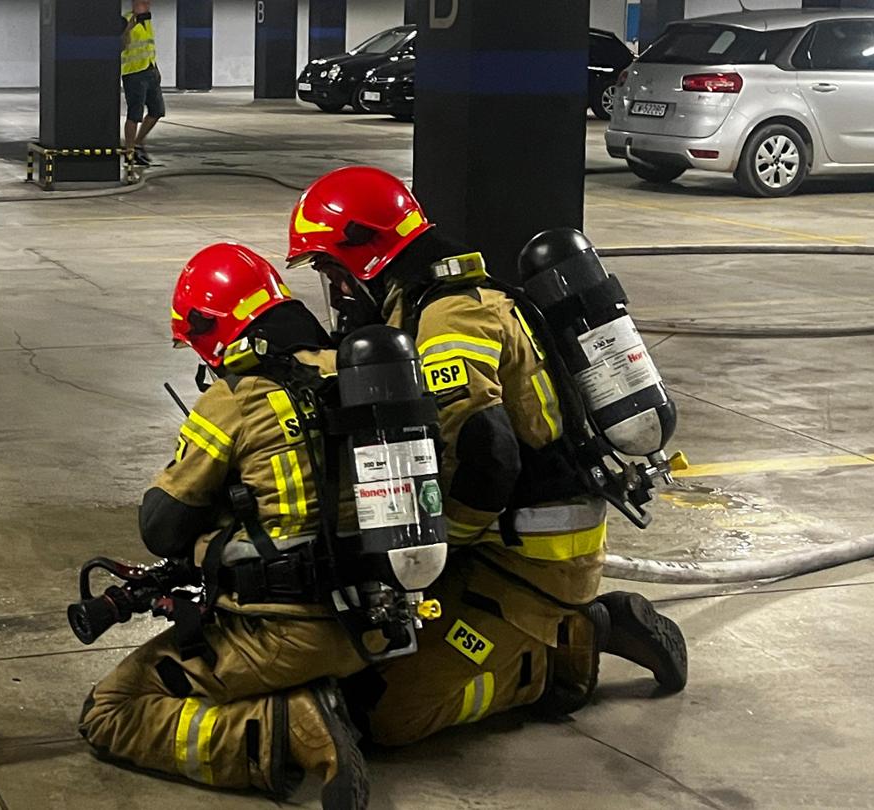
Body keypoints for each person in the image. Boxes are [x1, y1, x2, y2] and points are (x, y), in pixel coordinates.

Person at [285, 166, 688, 746]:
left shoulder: (448, 316)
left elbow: (487, 453)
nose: (336, 289)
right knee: (356, 652)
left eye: (331, 269)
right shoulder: (423, 301)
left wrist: (440, 548)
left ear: (366, 254)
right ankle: (561, 628)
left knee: (380, 712)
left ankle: (570, 647)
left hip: (526, 563)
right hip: (504, 544)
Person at [78, 243, 371, 810]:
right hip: (375, 620)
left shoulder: (234, 397)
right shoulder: (349, 367)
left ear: (213, 330)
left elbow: (161, 528)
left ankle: (285, 726)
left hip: (284, 632)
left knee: (110, 711)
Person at [121, 0, 164, 166]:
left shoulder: (147, 22)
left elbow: (149, 48)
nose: (148, 5)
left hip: (150, 71)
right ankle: (129, 151)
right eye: (144, 2)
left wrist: (156, 68)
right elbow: (120, 45)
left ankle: (138, 143)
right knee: (135, 114)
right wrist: (127, 30)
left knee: (157, 110)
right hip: (133, 74)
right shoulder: (125, 20)